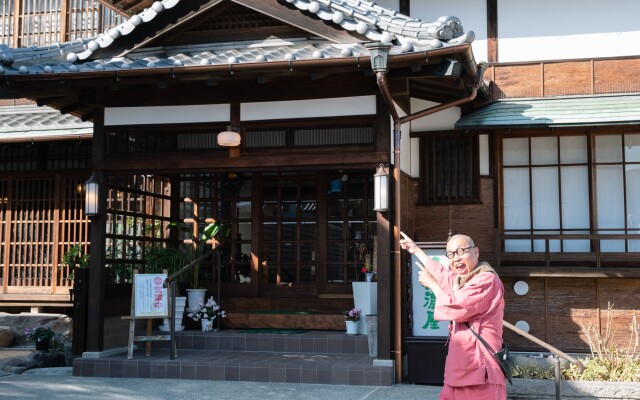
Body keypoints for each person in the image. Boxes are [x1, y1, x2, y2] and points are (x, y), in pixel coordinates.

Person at [400, 232, 506, 400]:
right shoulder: (464, 281)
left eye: (461, 251)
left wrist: (433, 286)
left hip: (480, 372)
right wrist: (415, 250)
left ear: (476, 252)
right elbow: (444, 276)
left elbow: (460, 307)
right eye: (450, 254)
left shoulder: (487, 280)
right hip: (458, 370)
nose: (456, 258)